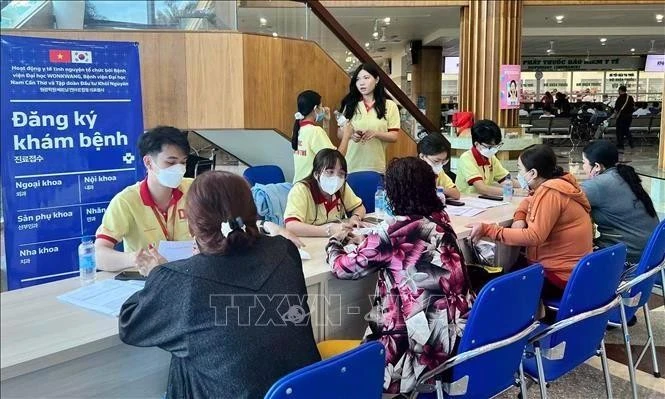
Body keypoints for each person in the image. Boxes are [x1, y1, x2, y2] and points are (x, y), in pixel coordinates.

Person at [118, 171, 320, 399]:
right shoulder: (284, 250)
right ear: (252, 211)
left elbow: (130, 324)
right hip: (302, 391)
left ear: (193, 227)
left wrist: (158, 272)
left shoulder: (183, 281)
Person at [326, 157, 474, 394]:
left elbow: (343, 267)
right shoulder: (440, 219)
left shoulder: (394, 231)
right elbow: (408, 245)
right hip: (457, 338)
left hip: (417, 353)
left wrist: (334, 241)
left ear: (395, 192)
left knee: (331, 357)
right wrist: (369, 241)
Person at [468, 144, 593, 299]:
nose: (519, 174)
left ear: (533, 173)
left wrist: (489, 230)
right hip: (572, 270)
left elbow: (534, 236)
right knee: (505, 270)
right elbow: (529, 201)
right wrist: (520, 217)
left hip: (559, 275)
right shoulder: (558, 184)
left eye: (520, 169)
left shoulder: (551, 193)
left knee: (489, 288)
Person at [95, 126, 193, 271]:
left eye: (183, 162)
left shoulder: (195, 189)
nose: (179, 169)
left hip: (189, 276)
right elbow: (99, 256)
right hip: (147, 282)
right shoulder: (126, 201)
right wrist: (135, 258)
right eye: (171, 163)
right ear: (148, 162)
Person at [581, 141, 659, 266]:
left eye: (583, 162)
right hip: (653, 251)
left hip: (631, 256)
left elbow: (563, 200)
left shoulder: (599, 184)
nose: (582, 167)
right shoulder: (622, 175)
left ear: (596, 166)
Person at [284, 148, 366, 237]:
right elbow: (291, 225)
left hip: (333, 241)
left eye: (341, 173)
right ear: (316, 174)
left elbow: (359, 207)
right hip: (308, 243)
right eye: (330, 172)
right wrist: (328, 230)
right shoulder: (301, 189)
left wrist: (355, 218)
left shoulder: (342, 187)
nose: (336, 178)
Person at [338, 63, 401, 174]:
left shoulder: (390, 105)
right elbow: (339, 133)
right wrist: (351, 135)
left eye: (366, 78)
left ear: (376, 80)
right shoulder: (350, 104)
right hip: (350, 166)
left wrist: (376, 133)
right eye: (358, 79)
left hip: (376, 167)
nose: (361, 82)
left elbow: (394, 136)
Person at [291, 90, 352, 182]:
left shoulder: (298, 129)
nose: (323, 109)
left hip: (299, 184)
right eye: (321, 106)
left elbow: (324, 150)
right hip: (311, 186)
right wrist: (346, 135)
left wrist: (326, 122)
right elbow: (336, 159)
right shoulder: (315, 131)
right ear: (316, 108)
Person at [455, 119, 511, 196]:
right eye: (490, 147)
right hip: (468, 200)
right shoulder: (466, 158)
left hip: (484, 200)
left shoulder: (491, 158)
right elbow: (482, 189)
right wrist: (512, 191)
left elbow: (505, 179)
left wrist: (526, 186)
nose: (494, 150)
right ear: (477, 144)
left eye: (496, 146)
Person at [417, 133, 461, 199]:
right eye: (436, 161)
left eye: (443, 161)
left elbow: (456, 194)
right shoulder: (411, 171)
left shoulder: (438, 171)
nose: (440, 165)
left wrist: (438, 189)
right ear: (422, 156)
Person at [612, 85, 635, 149]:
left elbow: (617, 109)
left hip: (621, 117)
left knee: (619, 131)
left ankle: (620, 144)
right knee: (626, 129)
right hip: (629, 117)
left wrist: (614, 116)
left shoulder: (620, 98)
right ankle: (631, 142)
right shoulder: (630, 97)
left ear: (620, 90)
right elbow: (633, 107)